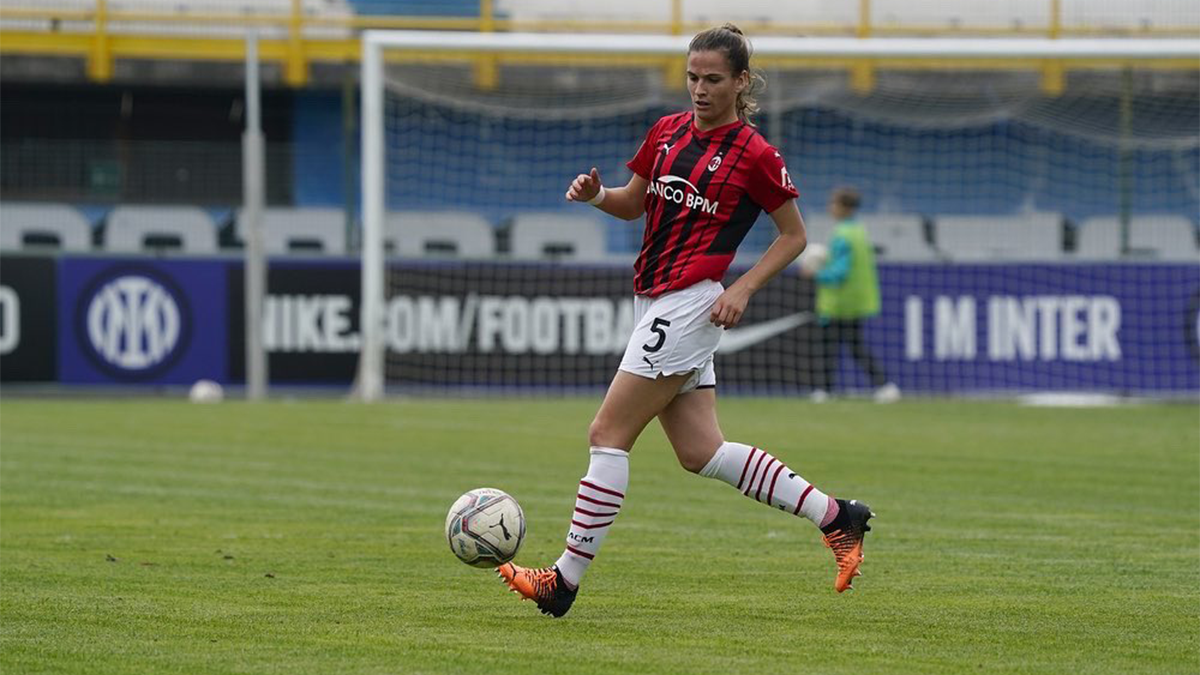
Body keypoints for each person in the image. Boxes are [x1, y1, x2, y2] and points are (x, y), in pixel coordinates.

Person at [497, 24, 874, 618]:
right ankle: (839, 517)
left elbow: (795, 236)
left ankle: (563, 581)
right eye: (693, 77)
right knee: (701, 451)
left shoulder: (756, 154)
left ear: (741, 82)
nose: (700, 89)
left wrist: (743, 289)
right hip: (656, 300)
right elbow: (631, 203)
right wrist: (597, 195)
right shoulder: (667, 132)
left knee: (606, 435)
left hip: (691, 303)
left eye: (714, 79)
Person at [801, 187, 900, 404]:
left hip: (839, 303)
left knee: (831, 347)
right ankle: (883, 386)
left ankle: (825, 391)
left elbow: (839, 272)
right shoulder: (859, 231)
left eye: (834, 203)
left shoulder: (842, 236)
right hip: (855, 301)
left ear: (844, 207)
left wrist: (816, 273)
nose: (830, 208)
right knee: (852, 346)